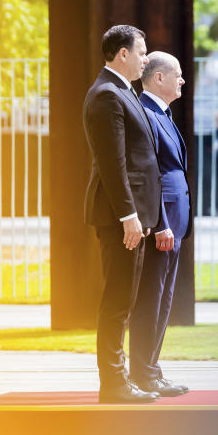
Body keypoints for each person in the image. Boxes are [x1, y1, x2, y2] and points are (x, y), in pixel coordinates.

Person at [82, 25, 162, 404]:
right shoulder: (106, 96)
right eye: (141, 51)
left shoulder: (123, 91)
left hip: (135, 217)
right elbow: (114, 165)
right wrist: (128, 216)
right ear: (122, 54)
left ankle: (123, 380)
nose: (145, 58)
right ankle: (113, 385)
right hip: (121, 218)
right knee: (117, 300)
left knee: (125, 300)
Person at [129, 51, 192, 397]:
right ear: (158, 79)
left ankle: (152, 370)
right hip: (161, 224)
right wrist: (162, 223)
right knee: (150, 299)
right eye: (177, 74)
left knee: (164, 299)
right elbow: (149, 173)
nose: (182, 80)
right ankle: (142, 373)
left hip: (174, 223)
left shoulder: (162, 113)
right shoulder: (147, 114)